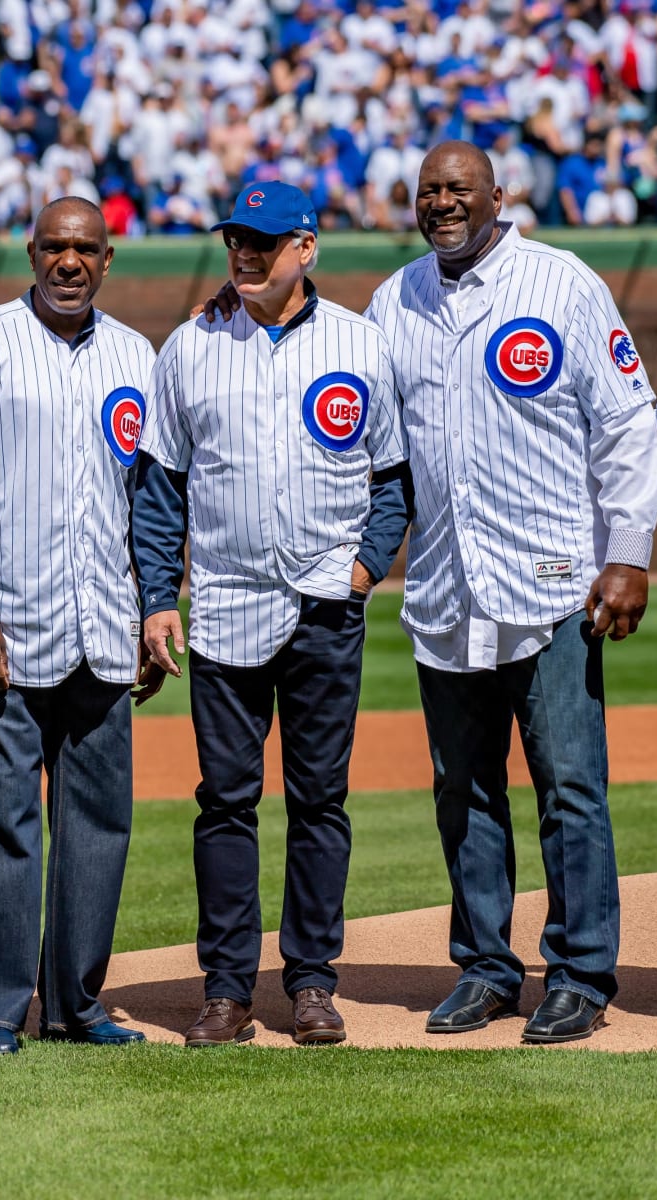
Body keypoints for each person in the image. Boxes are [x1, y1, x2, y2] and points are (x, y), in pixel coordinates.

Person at [364, 141, 657, 1043]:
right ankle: (486, 967)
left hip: (554, 585)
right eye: (428, 193)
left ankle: (579, 972)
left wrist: (629, 552)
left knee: (570, 785)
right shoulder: (395, 300)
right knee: (465, 789)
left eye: (458, 189)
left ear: (500, 195)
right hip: (448, 588)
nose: (443, 204)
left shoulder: (563, 283)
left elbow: (623, 426)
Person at [135, 181, 411, 1048]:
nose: (246, 255)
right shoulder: (189, 345)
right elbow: (159, 490)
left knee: (320, 801)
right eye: (236, 241)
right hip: (223, 606)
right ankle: (225, 989)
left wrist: (363, 573)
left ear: (306, 248)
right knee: (225, 801)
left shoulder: (361, 344)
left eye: (264, 241)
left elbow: (392, 482)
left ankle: (313, 983)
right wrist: (156, 598)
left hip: (328, 608)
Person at [0, 196, 154, 1056]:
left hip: (104, 624)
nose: (68, 262)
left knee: (99, 825)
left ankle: (76, 1003)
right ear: (29, 252)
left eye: (84, 249)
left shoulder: (137, 355)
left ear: (107, 259)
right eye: (53, 247)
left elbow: (152, 504)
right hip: (6, 632)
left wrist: (151, 608)